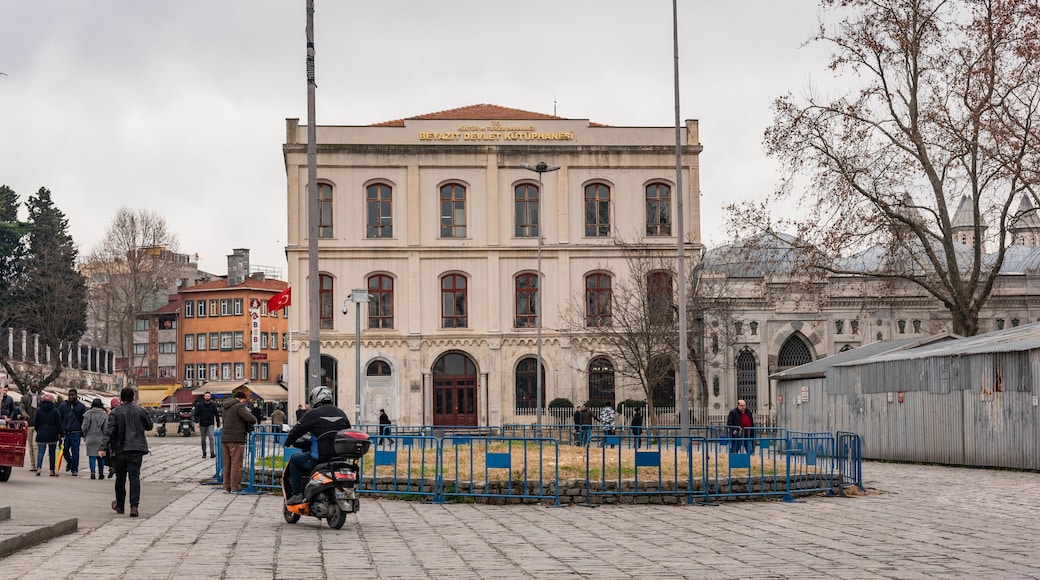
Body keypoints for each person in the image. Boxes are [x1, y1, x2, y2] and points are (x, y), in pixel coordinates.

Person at [283, 386, 351, 505]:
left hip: (319, 458)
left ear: (315, 398)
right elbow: (348, 430)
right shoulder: (341, 413)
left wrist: (288, 441)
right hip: (340, 458)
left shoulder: (313, 413)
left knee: (294, 460)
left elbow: (297, 430)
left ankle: (297, 494)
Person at [100, 387, 153, 517]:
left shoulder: (115, 413)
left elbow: (109, 431)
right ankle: (134, 506)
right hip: (137, 449)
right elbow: (149, 426)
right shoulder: (141, 411)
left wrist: (102, 447)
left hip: (120, 449)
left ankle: (120, 505)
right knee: (134, 477)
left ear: (121, 398)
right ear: (133, 398)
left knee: (120, 478)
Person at [220, 390, 257, 493]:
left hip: (225, 438)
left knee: (227, 464)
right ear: (241, 399)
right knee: (236, 463)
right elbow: (251, 419)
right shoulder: (239, 407)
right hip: (236, 438)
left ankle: (226, 486)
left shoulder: (225, 407)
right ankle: (235, 486)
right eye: (244, 400)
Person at [58, 388, 87, 476]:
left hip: (76, 432)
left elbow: (83, 420)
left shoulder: (81, 406)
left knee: (75, 452)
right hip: (65, 432)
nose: (71, 397)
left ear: (76, 395)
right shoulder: (63, 405)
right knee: (63, 450)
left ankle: (74, 469)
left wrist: (82, 432)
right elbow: (60, 418)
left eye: (73, 395)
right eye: (70, 395)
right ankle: (70, 462)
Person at [33, 392, 62, 476]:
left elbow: (36, 423)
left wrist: (39, 430)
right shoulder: (55, 411)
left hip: (41, 433)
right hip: (52, 433)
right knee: (52, 452)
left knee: (40, 452)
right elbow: (58, 424)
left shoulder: (39, 411)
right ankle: (51, 471)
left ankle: (38, 469)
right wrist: (61, 434)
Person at [81, 398, 108, 479]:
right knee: (101, 457)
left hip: (90, 437)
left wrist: (85, 435)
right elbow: (106, 428)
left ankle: (92, 472)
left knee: (91, 456)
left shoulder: (88, 413)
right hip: (101, 438)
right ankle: (101, 473)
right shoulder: (104, 414)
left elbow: (84, 427)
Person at [192, 391, 221, 459]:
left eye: (208, 396)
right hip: (202, 424)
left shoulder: (213, 405)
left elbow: (216, 414)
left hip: (210, 423)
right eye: (206, 396)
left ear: (210, 397)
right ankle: (204, 453)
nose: (207, 397)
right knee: (203, 439)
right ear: (204, 397)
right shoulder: (200, 405)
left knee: (211, 438)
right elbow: (196, 414)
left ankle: (212, 452)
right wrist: (196, 422)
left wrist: (218, 423)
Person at [21, 384, 41, 470]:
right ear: (30, 387)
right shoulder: (25, 398)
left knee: (35, 444)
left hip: (37, 425)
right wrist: (25, 415)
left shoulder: (40, 398)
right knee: (30, 446)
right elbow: (21, 408)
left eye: (36, 386)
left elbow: (41, 409)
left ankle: (37, 464)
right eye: (33, 386)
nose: (35, 388)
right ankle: (33, 465)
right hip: (28, 424)